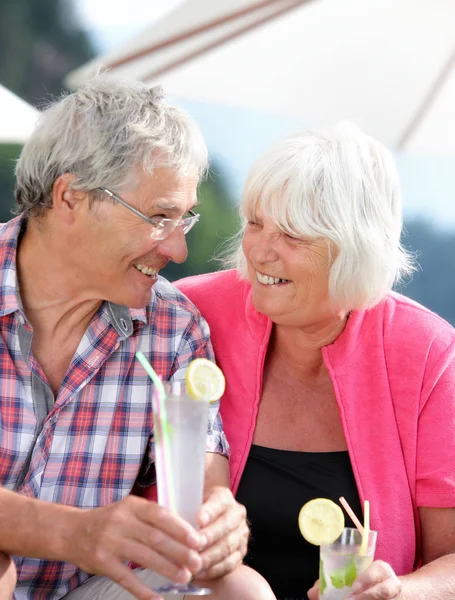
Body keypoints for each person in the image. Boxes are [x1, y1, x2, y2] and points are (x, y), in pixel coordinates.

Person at [0, 76, 275, 600]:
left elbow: (203, 486)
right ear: (70, 197)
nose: (177, 249)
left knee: (238, 591)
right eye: (158, 218)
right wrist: (74, 532)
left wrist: (218, 524)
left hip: (84, 591)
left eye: (184, 219)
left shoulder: (173, 329)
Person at [175, 124, 455, 599]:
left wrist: (401, 592)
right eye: (256, 222)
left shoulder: (428, 352)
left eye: (293, 234)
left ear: (355, 247)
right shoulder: (187, 316)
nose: (260, 250)